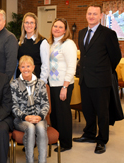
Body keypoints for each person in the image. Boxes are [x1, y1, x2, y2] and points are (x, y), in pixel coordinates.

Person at [73, 3, 122, 154]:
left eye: (95, 14)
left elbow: (116, 57)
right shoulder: (81, 32)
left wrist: (105, 70)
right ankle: (89, 134)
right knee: (87, 110)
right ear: (86, 15)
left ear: (101, 16)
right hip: (85, 79)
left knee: (102, 112)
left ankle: (102, 140)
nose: (91, 16)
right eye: (89, 13)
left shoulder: (108, 33)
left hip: (101, 81)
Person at [10, 55, 49, 163]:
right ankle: (29, 160)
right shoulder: (14, 84)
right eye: (23, 66)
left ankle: (42, 161)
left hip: (39, 118)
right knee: (30, 128)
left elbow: (45, 104)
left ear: (33, 67)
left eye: (28, 66)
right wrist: (25, 117)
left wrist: (40, 116)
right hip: (21, 119)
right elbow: (13, 105)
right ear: (19, 69)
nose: (26, 69)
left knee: (41, 128)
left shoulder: (41, 84)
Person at [48, 18, 77, 152]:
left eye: (60, 27)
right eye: (55, 26)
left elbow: (72, 67)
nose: (57, 29)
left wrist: (65, 87)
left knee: (63, 114)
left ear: (65, 30)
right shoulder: (52, 43)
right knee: (54, 114)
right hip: (52, 84)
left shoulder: (68, 44)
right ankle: (57, 139)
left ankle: (66, 143)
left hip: (63, 84)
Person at [16, 12, 49, 84]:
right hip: (21, 79)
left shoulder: (42, 42)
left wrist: (42, 82)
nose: (29, 25)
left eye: (32, 23)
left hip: (36, 79)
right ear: (23, 24)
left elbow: (45, 65)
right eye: (26, 22)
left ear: (35, 25)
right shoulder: (19, 42)